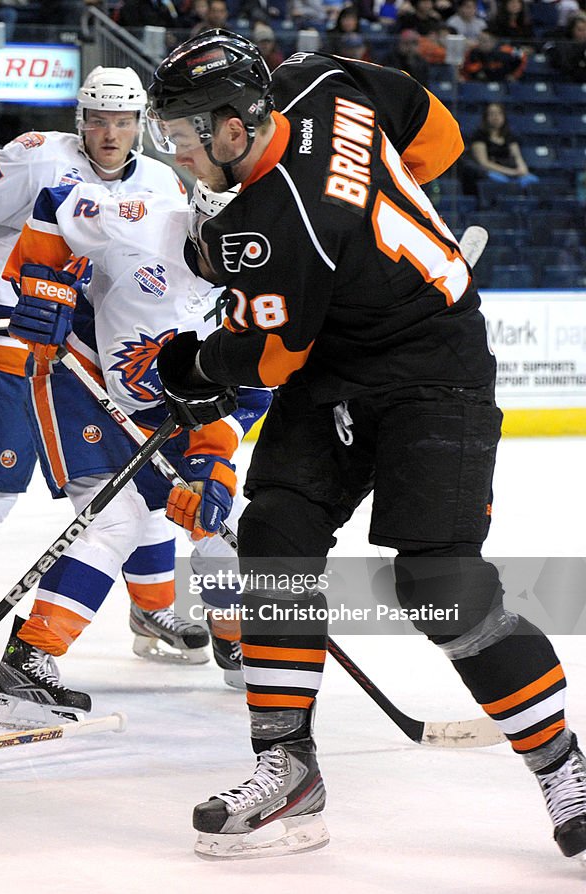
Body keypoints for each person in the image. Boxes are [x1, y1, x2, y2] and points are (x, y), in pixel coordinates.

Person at [145, 28, 586, 861]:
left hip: (432, 369)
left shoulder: (278, 223)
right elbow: (441, 137)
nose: (175, 154)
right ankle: (287, 766)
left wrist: (192, 364)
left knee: (440, 579)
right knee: (277, 531)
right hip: (345, 352)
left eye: (182, 137)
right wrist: (384, 213)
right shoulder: (319, 79)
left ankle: (567, 768)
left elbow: (270, 358)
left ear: (234, 126)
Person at [0, 66, 198, 663]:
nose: (110, 133)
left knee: (139, 488)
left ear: (140, 124)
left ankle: (152, 609)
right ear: (81, 121)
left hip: (101, 364)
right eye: (98, 120)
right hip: (17, 349)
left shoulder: (164, 183)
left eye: (122, 121)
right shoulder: (36, 156)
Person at [0, 179, 272, 726]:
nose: (228, 261)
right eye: (219, 241)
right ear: (197, 223)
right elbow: (56, 203)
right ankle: (29, 659)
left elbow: (251, 392)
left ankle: (234, 639)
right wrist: (45, 284)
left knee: (222, 513)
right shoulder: (142, 217)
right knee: (116, 522)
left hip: (174, 404)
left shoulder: (267, 290)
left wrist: (212, 464)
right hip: (80, 383)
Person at [466, 101, 539, 189]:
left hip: (511, 170)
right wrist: (510, 172)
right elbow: (483, 163)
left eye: (499, 113)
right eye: (492, 114)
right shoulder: (479, 136)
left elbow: (517, 157)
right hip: (490, 172)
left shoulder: (509, 135)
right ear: (485, 117)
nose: (496, 117)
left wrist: (523, 169)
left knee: (531, 180)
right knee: (501, 181)